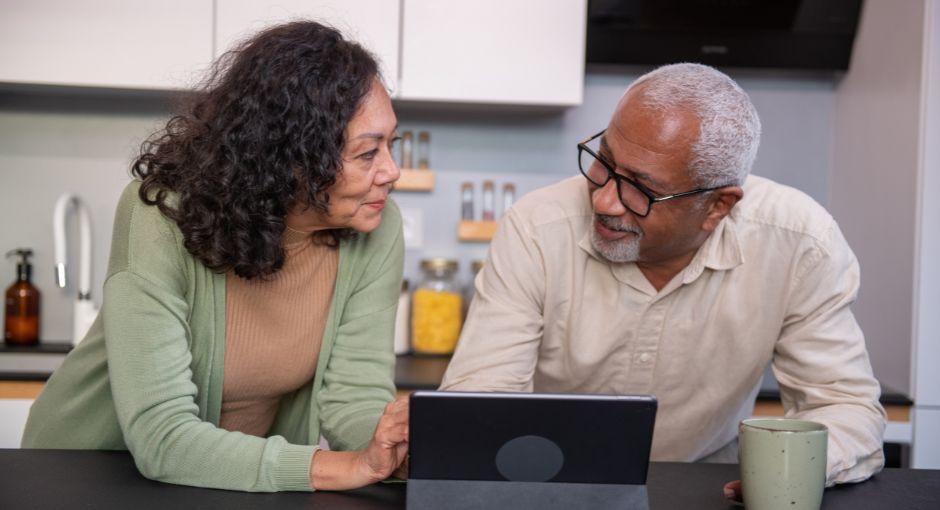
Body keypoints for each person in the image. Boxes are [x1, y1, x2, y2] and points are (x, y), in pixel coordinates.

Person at [440, 63, 886, 498]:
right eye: (605, 161)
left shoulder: (801, 243)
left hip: (711, 489)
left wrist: (787, 471)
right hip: (552, 485)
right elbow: (480, 401)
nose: (606, 201)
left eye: (642, 189)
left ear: (717, 207)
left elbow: (844, 406)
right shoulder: (537, 226)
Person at [22, 21, 409, 492]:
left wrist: (393, 447)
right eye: (368, 153)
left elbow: (356, 394)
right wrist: (347, 468)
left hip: (229, 482)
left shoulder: (376, 226)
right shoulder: (161, 215)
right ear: (292, 158)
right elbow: (162, 437)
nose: (392, 171)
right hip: (86, 475)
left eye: (392, 145)